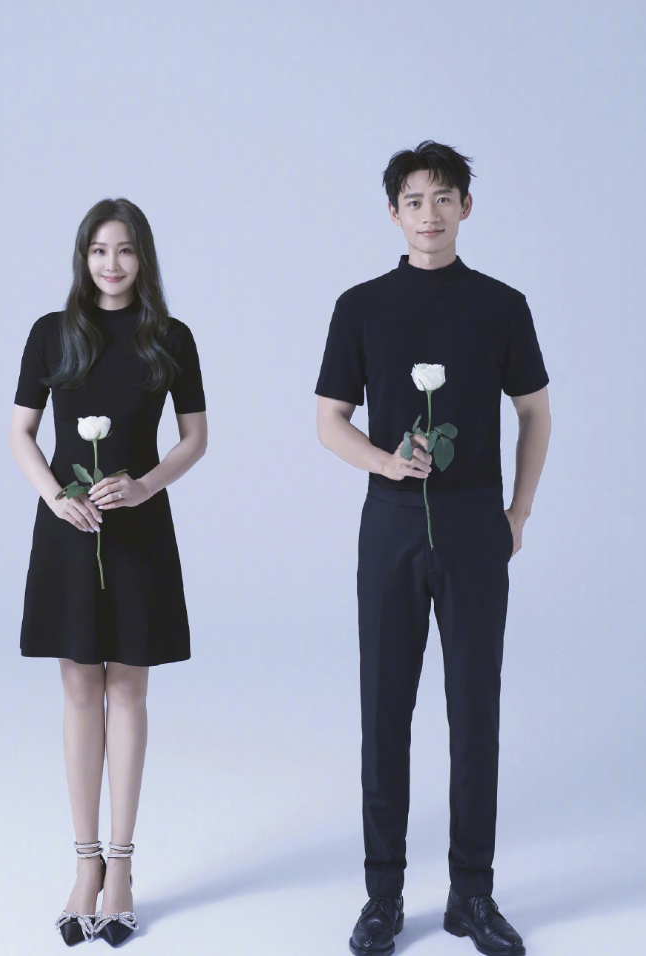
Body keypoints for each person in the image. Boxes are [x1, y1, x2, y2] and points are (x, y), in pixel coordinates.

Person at [315, 141, 551, 956]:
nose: (430, 213)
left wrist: (517, 510)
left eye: (445, 197)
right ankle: (383, 897)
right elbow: (328, 421)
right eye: (414, 200)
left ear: (466, 208)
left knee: (474, 709)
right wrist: (386, 461)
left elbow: (535, 410)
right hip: (389, 521)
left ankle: (471, 894)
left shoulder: (501, 305)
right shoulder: (361, 306)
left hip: (474, 523)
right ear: (394, 213)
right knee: (385, 709)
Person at [9, 197, 207, 946]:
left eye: (124, 250)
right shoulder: (52, 333)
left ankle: (121, 866)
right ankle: (83, 862)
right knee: (76, 688)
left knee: (127, 687)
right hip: (69, 526)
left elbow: (195, 436)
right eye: (99, 250)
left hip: (138, 527)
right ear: (83, 257)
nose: (112, 264)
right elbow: (22, 432)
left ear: (142, 256)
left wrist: (147, 485)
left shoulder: (171, 338)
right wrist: (55, 497)